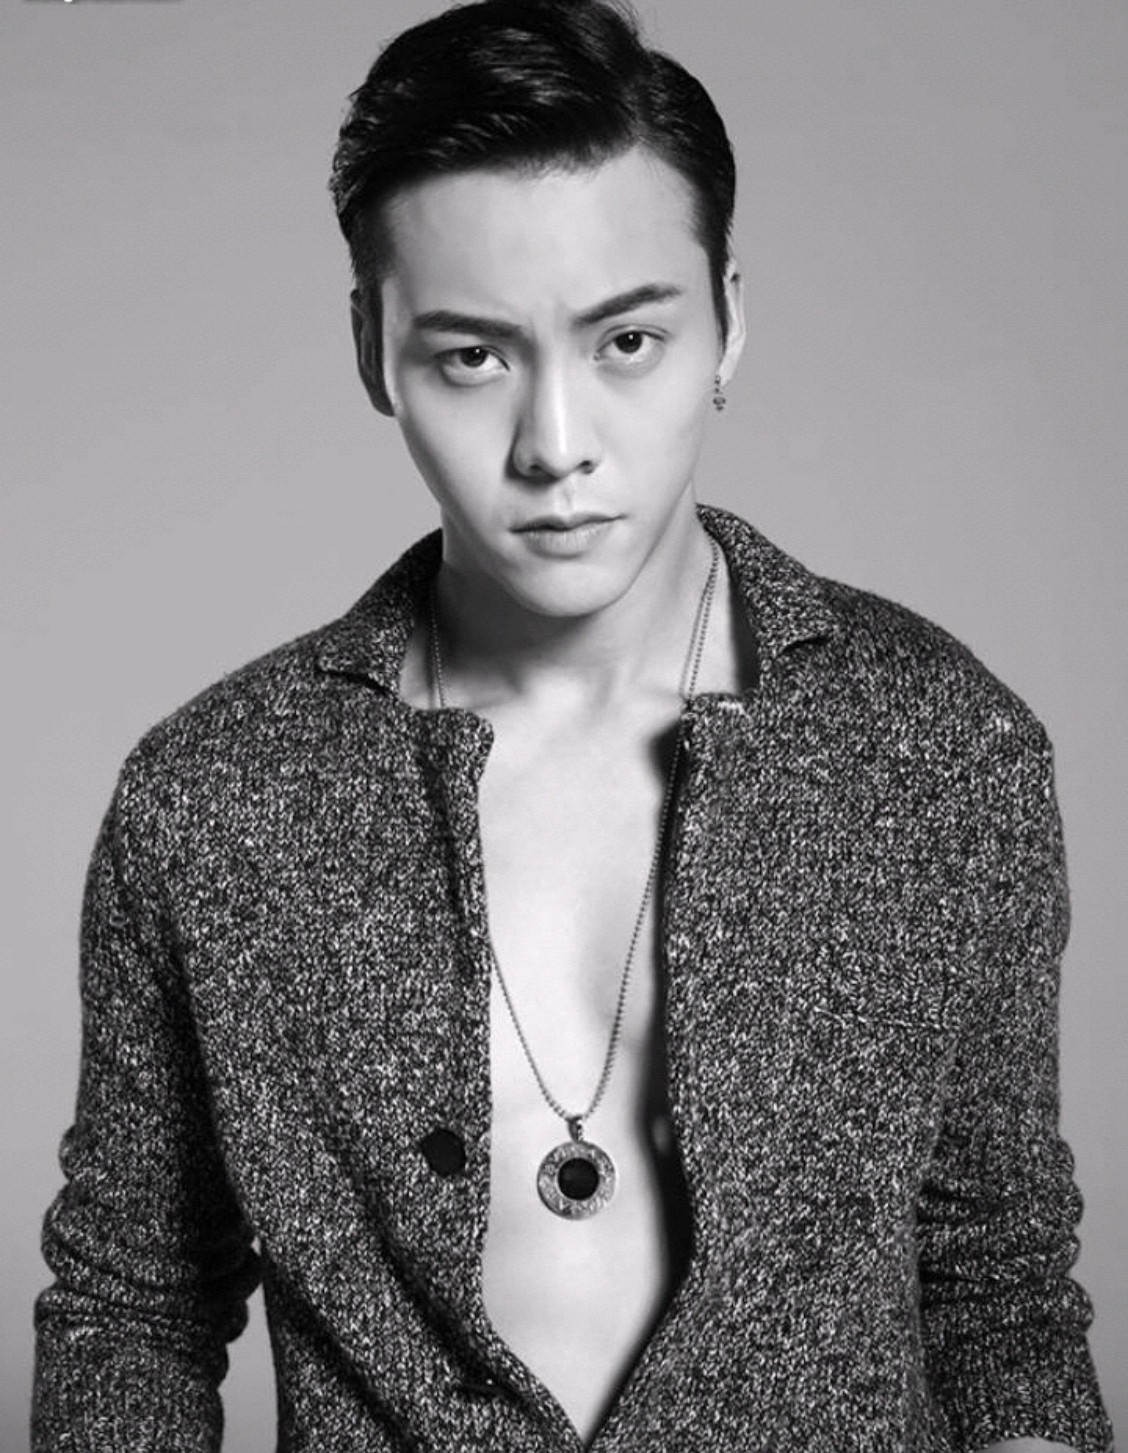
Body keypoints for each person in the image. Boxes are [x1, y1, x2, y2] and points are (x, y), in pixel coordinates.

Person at [32, 1, 1113, 1449]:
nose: (555, 444)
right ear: (373, 351)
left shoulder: (941, 749)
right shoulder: (213, 799)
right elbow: (134, 1309)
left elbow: (998, 1295)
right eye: (473, 357)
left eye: (627, 340)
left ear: (729, 320)